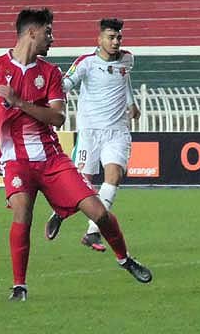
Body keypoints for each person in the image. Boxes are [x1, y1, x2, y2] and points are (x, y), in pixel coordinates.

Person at [0, 8, 152, 301]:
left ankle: (125, 259)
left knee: (99, 212)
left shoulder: (49, 73)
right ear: (31, 32)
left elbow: (58, 118)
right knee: (22, 212)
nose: (52, 39)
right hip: (15, 161)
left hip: (52, 159)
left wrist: (18, 102)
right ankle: (19, 286)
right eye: (48, 32)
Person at [46, 18, 141, 252]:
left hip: (117, 132)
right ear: (99, 39)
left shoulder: (128, 59)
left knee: (114, 175)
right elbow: (65, 85)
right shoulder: (86, 63)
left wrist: (131, 103)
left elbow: (124, 78)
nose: (116, 42)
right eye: (111, 37)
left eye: (119, 37)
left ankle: (93, 231)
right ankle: (60, 211)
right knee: (81, 183)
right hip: (90, 132)